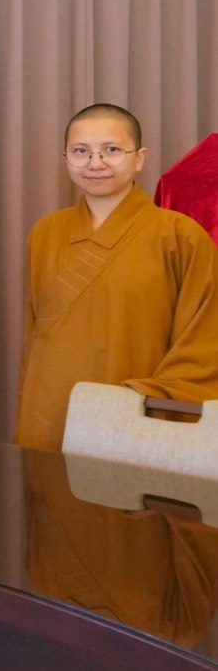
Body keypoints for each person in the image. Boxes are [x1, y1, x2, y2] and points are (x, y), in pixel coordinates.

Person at [16, 103, 218, 450]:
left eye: (111, 150)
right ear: (65, 158)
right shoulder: (46, 232)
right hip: (50, 413)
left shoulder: (180, 235)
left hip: (134, 419)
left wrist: (134, 402)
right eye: (81, 151)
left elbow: (203, 344)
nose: (95, 163)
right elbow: (37, 336)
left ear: (139, 158)